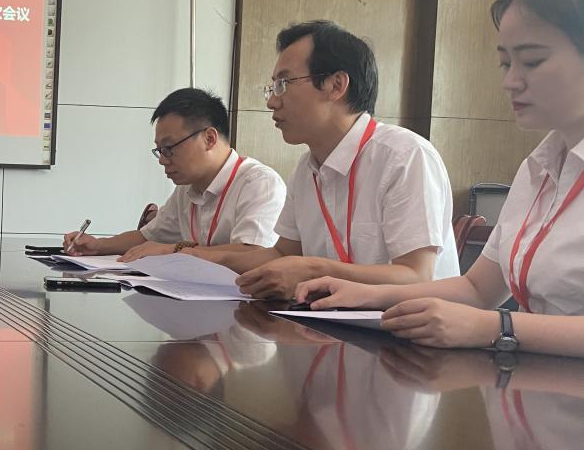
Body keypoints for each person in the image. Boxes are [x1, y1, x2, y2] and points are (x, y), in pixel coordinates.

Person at [296, 0, 584, 358]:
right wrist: (366, 294)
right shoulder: (539, 168)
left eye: (532, 60)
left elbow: (487, 313)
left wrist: (497, 327)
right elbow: (478, 288)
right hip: (533, 386)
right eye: (505, 62)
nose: (509, 81)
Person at [188, 20, 459, 299]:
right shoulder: (306, 169)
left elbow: (416, 276)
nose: (271, 102)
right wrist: (198, 258)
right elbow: (283, 254)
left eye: (284, 84)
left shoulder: (404, 156)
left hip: (404, 324)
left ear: (335, 85)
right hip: (329, 319)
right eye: (273, 87)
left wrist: (314, 270)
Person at [63, 88, 285, 259]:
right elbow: (147, 237)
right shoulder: (186, 189)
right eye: (159, 150)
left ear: (209, 138)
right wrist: (98, 245)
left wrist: (173, 250)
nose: (162, 159)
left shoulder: (259, 183)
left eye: (169, 148)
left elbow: (253, 253)